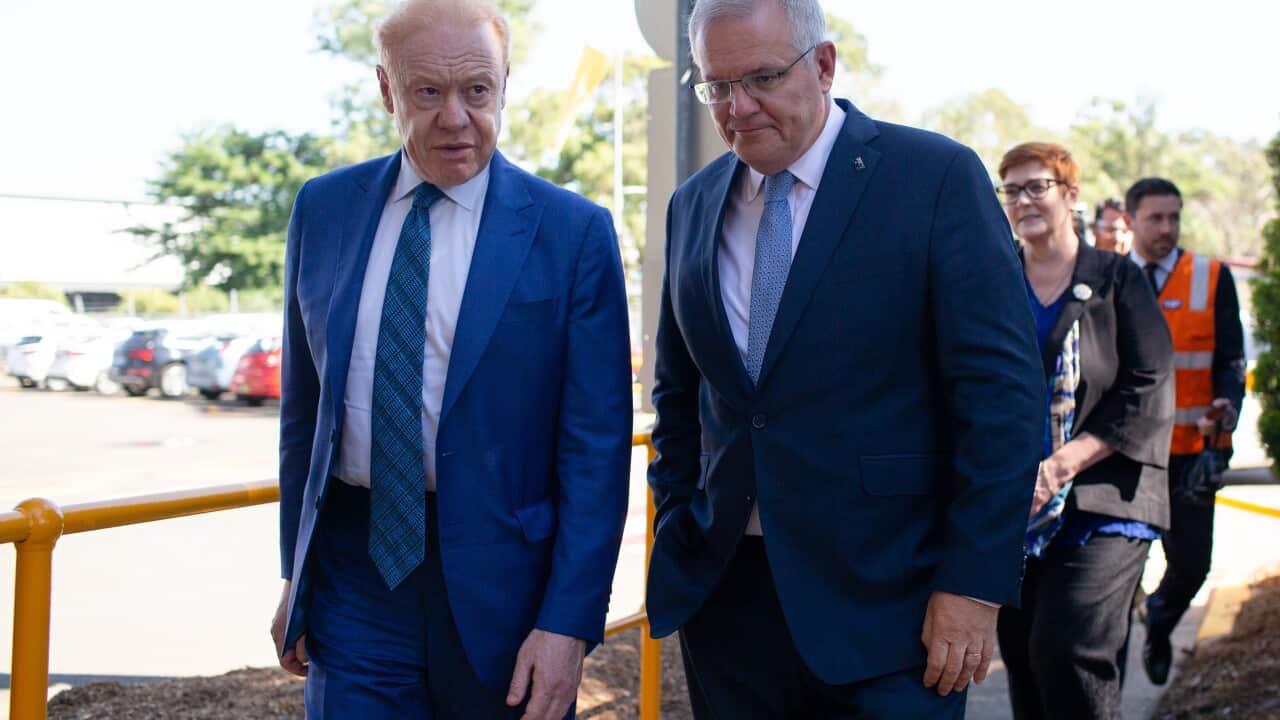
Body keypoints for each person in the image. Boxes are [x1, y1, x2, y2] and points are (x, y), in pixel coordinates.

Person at [644, 0, 1046, 716]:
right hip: (729, 603)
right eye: (716, 86)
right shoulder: (692, 205)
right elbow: (680, 394)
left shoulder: (933, 179)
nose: (737, 108)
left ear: (823, 64)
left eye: (761, 78)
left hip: (895, 611)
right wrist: (680, 515)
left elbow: (1003, 401)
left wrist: (974, 584)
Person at [267, 1, 633, 717]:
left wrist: (567, 624)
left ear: (504, 83)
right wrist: (294, 574)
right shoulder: (323, 210)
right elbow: (303, 415)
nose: (456, 118)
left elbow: (596, 451)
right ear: (385, 90)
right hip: (355, 573)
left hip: (509, 588)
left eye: (477, 91)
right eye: (427, 92)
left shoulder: (574, 233)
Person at [994, 143, 1174, 720]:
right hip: (1013, 505)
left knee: (1068, 650)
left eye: (1037, 186)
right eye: (1011, 189)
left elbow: (1149, 385)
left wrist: (1063, 465)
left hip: (1107, 498)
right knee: (1023, 659)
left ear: (1071, 196)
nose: (1023, 199)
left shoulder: (1116, 278)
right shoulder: (994, 284)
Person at [1128, 177, 1247, 685]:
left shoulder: (1210, 276)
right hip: (1126, 454)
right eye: (1155, 218)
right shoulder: (1108, 277)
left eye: (1173, 217)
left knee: (1193, 565)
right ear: (1132, 219)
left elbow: (1231, 358)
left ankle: (1159, 621)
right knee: (1114, 574)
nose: (1166, 228)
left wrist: (1228, 401)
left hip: (1191, 453)